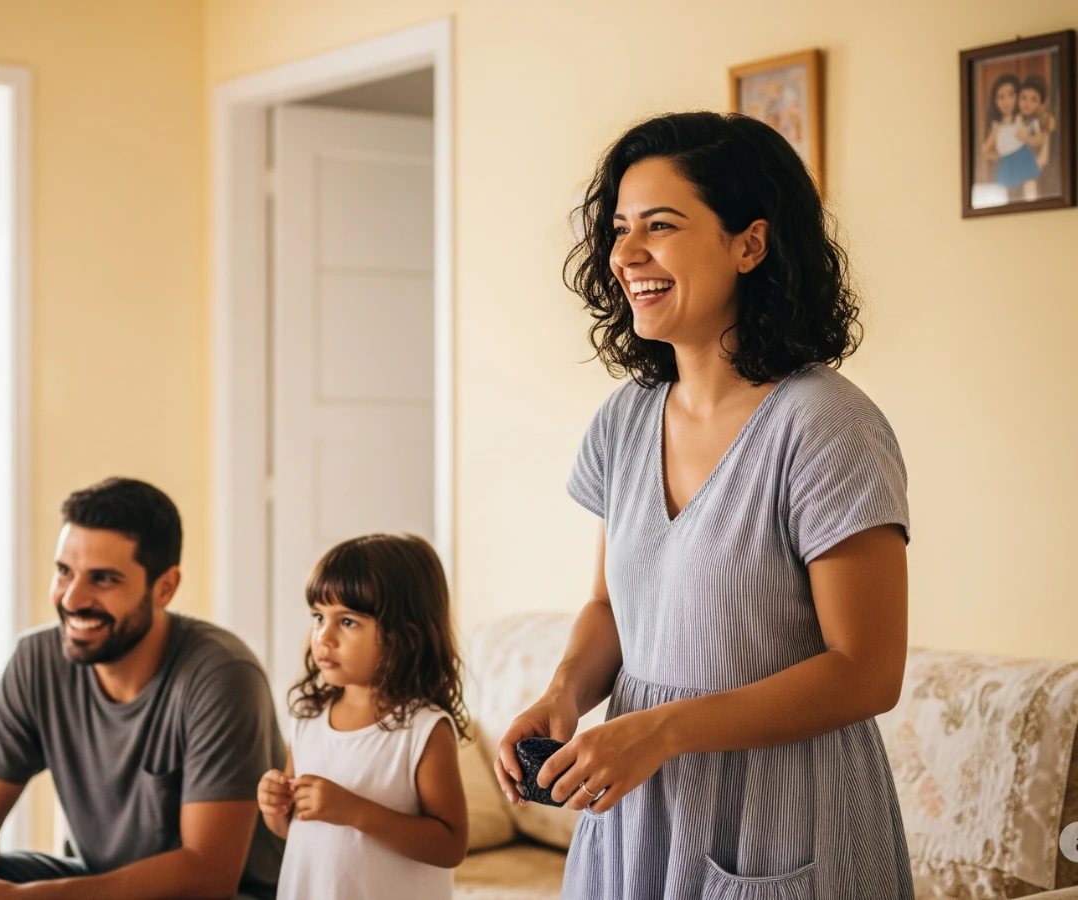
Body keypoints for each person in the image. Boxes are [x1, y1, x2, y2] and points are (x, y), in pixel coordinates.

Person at [493, 112, 914, 899]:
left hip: (782, 817)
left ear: (749, 245)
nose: (626, 254)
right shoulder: (625, 419)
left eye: (660, 225)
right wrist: (564, 696)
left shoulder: (826, 425)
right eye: (620, 228)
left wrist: (663, 731)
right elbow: (610, 607)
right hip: (635, 811)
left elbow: (866, 673)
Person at [0, 477, 286, 900]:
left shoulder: (221, 675)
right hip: (98, 878)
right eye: (64, 572)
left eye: (103, 579)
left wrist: (24, 899)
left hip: (222, 894)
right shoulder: (36, 660)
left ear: (164, 587)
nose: (72, 599)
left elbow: (208, 873)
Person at [257, 534, 469, 900]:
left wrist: (353, 811)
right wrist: (274, 808)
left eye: (348, 622)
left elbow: (451, 846)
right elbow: (295, 828)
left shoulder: (423, 730)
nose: (323, 637)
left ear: (404, 636)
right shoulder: (307, 718)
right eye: (319, 617)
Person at [982, 73, 1040, 199]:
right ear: (995, 101)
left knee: (1030, 192)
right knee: (1006, 196)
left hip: (1023, 157)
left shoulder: (1022, 119)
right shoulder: (997, 126)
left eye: (1010, 95)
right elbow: (985, 150)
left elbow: (1037, 139)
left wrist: (1026, 138)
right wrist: (999, 156)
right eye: (1001, 97)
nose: (1006, 102)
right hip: (1006, 163)